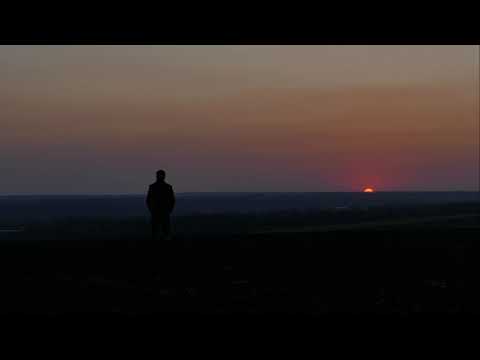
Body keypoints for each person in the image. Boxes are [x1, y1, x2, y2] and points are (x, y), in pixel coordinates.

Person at [146, 170, 175, 240]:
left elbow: (172, 200)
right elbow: (148, 200)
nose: (160, 177)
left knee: (163, 232)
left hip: (161, 212)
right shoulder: (166, 187)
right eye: (160, 175)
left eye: (161, 175)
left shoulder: (154, 187)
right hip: (159, 212)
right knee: (158, 232)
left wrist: (169, 210)